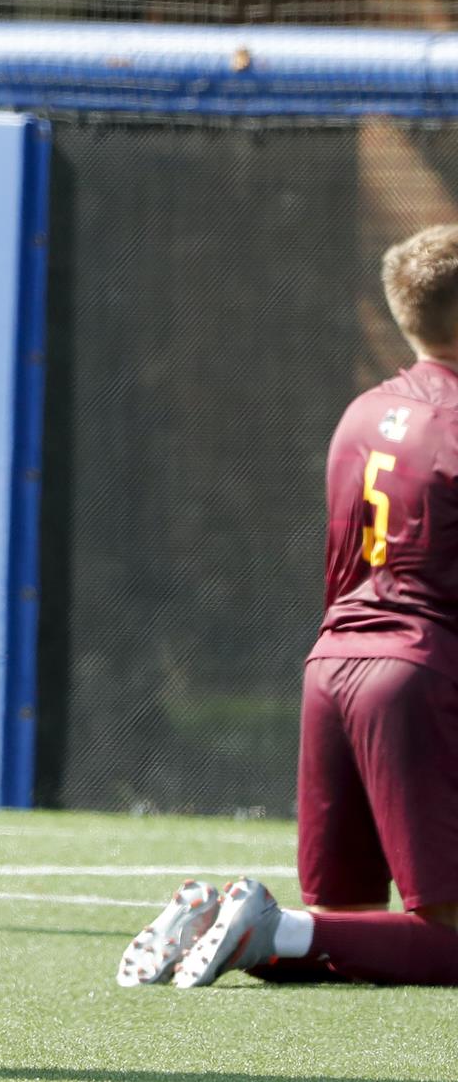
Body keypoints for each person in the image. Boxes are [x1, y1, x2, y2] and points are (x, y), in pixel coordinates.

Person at [117, 224, 458, 990]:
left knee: (343, 930)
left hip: (332, 669)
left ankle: (219, 921)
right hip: (413, 675)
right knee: (447, 936)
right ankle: (272, 925)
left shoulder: (363, 412)